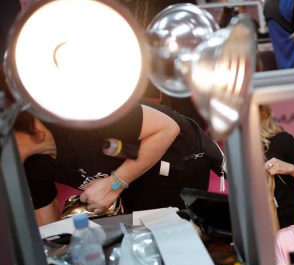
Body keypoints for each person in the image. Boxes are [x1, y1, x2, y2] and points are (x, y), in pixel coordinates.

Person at [5, 81, 225, 225]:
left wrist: (114, 184)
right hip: (131, 171)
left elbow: (167, 129)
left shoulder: (77, 112)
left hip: (174, 154)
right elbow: (49, 228)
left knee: (165, 236)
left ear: (30, 128)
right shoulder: (27, 164)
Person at [261, 104, 294, 228]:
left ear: (262, 112)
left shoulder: (282, 140)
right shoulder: (230, 149)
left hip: (289, 220)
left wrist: (290, 168)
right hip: (251, 221)